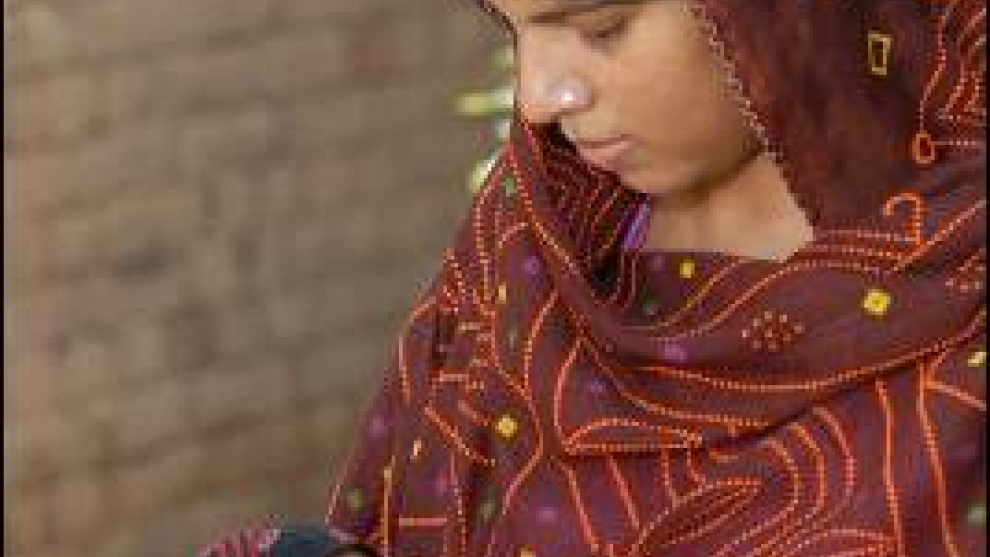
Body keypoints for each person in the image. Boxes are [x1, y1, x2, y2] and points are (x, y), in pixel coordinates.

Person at [201, 0, 986, 555]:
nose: (540, 97)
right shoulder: (536, 230)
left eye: (601, 28)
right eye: (512, 29)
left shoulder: (962, 298)